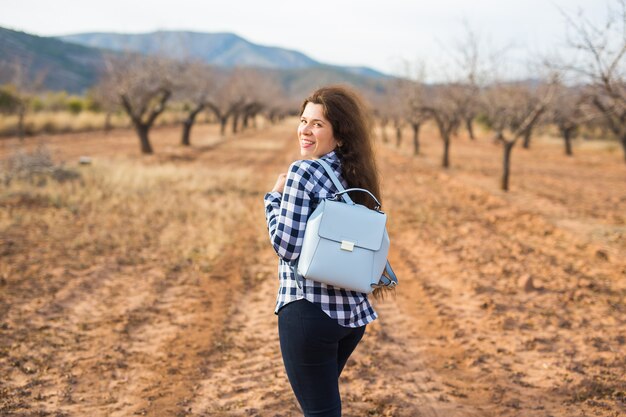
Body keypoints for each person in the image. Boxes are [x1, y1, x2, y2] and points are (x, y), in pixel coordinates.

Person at [263, 85, 384, 416]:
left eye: (317, 124)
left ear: (339, 135)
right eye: (303, 120)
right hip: (350, 317)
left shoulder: (303, 171)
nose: (304, 129)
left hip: (308, 312)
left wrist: (273, 199)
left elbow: (286, 247)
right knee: (324, 406)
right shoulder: (356, 174)